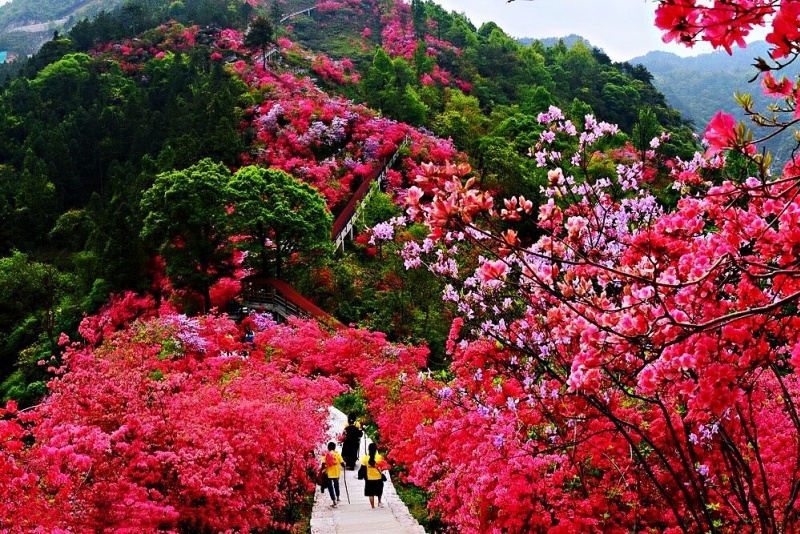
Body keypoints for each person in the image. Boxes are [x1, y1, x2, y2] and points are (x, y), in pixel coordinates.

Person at [360, 442, 388, 509]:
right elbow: (383, 467)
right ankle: (379, 502)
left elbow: (363, 469)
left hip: (369, 479)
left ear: (368, 449)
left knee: (370, 494)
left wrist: (363, 476)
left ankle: (372, 506)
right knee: (379, 491)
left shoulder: (365, 458)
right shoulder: (379, 457)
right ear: (376, 449)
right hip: (378, 478)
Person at [321, 441, 345, 507]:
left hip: (328, 473)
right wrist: (344, 465)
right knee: (336, 485)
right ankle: (338, 497)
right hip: (336, 473)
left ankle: (333, 500)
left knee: (330, 487)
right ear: (334, 448)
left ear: (328, 448)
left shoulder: (326, 455)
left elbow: (323, 464)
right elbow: (342, 463)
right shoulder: (337, 454)